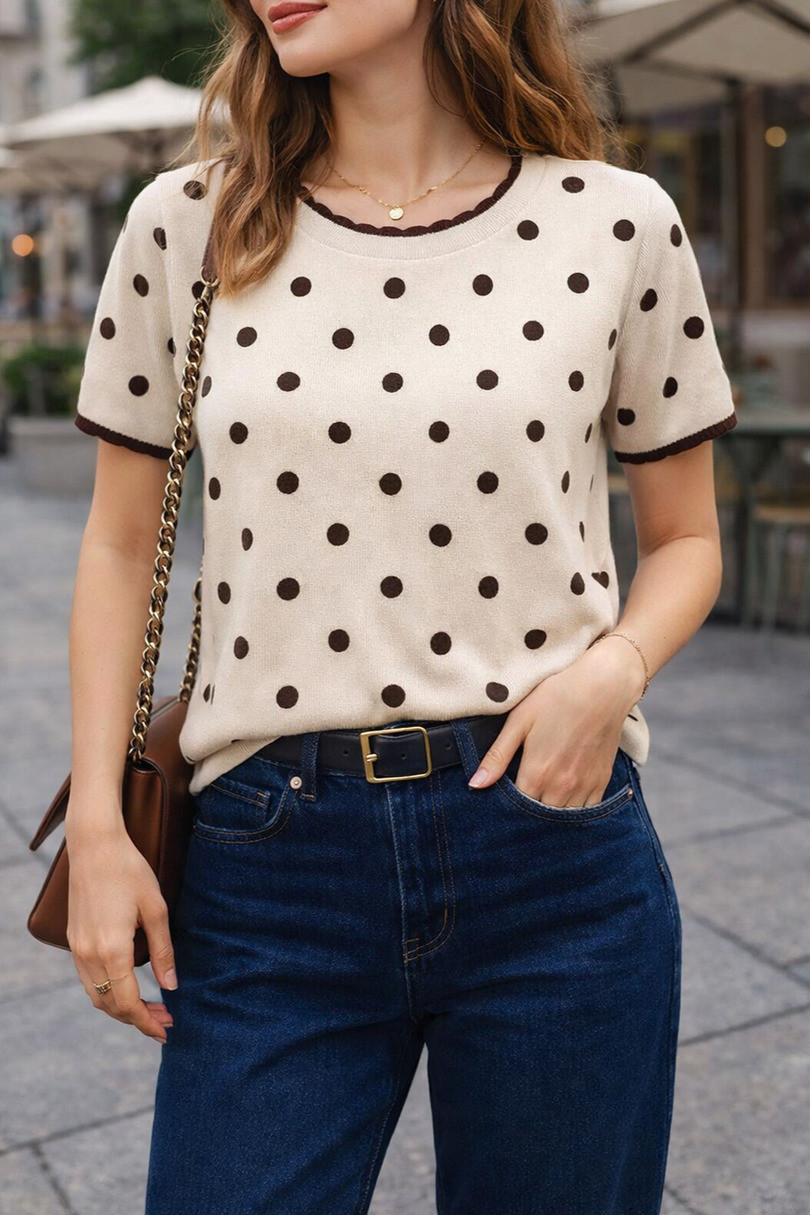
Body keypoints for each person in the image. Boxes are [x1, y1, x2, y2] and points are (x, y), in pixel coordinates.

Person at [64, 1, 738, 1212]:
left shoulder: (618, 220)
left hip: (549, 844)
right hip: (269, 857)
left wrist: (614, 670)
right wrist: (102, 833)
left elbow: (687, 538)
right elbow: (117, 547)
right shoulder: (187, 221)